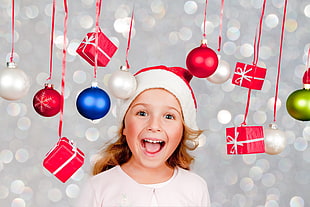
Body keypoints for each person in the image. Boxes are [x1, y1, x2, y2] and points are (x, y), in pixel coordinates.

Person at [76, 65, 211, 207]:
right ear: (124, 127)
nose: (154, 125)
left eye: (169, 116)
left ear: (183, 131)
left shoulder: (195, 188)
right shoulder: (98, 188)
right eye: (142, 113)